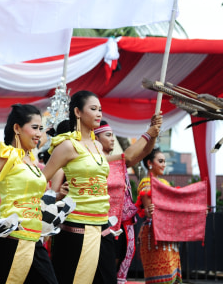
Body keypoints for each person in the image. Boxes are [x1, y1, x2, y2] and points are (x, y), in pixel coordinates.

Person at [0, 104, 57, 283]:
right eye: (34, 128)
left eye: (41, 128)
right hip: (11, 238)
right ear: (17, 128)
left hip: (34, 239)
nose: (39, 134)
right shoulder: (6, 155)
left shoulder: (32, 160)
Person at [43, 90, 113, 284]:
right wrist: (51, 200)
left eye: (100, 109)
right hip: (76, 229)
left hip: (103, 226)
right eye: (93, 109)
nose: (99, 113)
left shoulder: (98, 146)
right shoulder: (67, 146)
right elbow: (39, 180)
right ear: (78, 112)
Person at [94, 115, 162, 284]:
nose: (112, 139)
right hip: (106, 224)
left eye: (112, 135)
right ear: (96, 138)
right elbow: (129, 156)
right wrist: (149, 132)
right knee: (107, 269)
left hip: (126, 223)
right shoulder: (96, 162)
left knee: (120, 269)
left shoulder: (118, 161)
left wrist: (154, 134)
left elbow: (145, 152)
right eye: (107, 135)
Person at [137, 148, 182, 284]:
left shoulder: (165, 184)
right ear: (149, 163)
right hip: (154, 234)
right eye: (160, 161)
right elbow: (150, 212)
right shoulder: (146, 184)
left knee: (171, 273)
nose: (164, 164)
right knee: (161, 275)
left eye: (164, 161)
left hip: (167, 233)